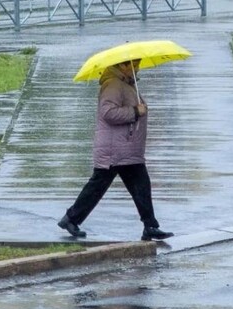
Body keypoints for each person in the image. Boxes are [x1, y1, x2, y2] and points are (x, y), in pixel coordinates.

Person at [58, 59, 173, 241]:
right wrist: (135, 111)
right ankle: (71, 218)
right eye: (134, 65)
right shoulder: (113, 85)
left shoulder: (125, 84)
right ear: (123, 66)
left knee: (141, 186)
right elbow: (108, 113)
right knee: (98, 186)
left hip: (126, 149)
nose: (137, 69)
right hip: (115, 150)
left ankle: (150, 225)